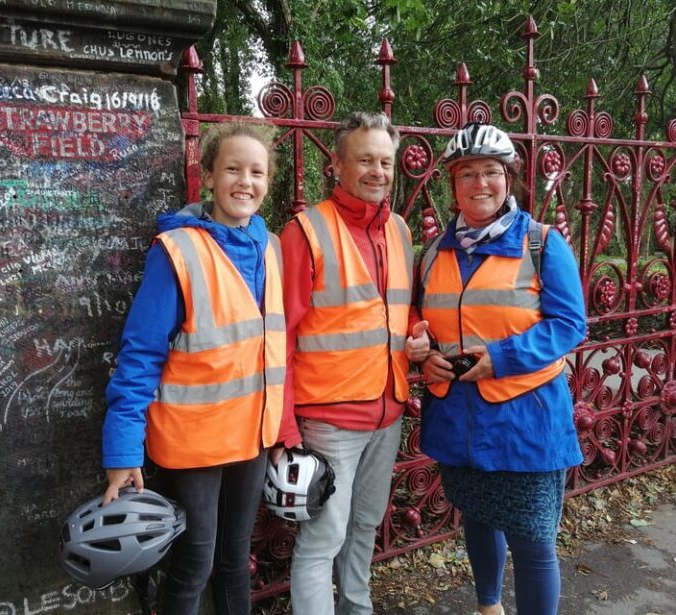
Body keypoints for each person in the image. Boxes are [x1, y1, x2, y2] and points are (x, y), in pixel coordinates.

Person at [100, 121, 285, 615]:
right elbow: (140, 355)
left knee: (235, 560)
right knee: (194, 564)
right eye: (232, 169)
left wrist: (281, 426)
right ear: (209, 176)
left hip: (252, 436)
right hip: (193, 442)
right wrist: (122, 450)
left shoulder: (270, 247)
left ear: (268, 181)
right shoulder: (178, 251)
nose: (245, 182)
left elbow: (274, 346)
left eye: (257, 172)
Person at [416, 123, 586, 615]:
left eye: (490, 171)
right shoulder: (435, 252)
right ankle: (488, 607)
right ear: (453, 184)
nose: (479, 183)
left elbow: (569, 325)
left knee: (532, 541)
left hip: (525, 420)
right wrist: (424, 351)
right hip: (459, 417)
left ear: (509, 178)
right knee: (477, 516)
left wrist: (501, 358)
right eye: (466, 173)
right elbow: (420, 320)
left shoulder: (542, 244)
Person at [275, 111, 430, 615]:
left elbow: (399, 311)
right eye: (365, 160)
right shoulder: (306, 232)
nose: (377, 171)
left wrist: (416, 334)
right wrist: (285, 428)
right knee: (323, 539)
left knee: (365, 525)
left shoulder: (399, 230)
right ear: (337, 165)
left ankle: (357, 609)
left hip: (388, 412)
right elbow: (280, 336)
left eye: (385, 161)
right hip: (330, 421)